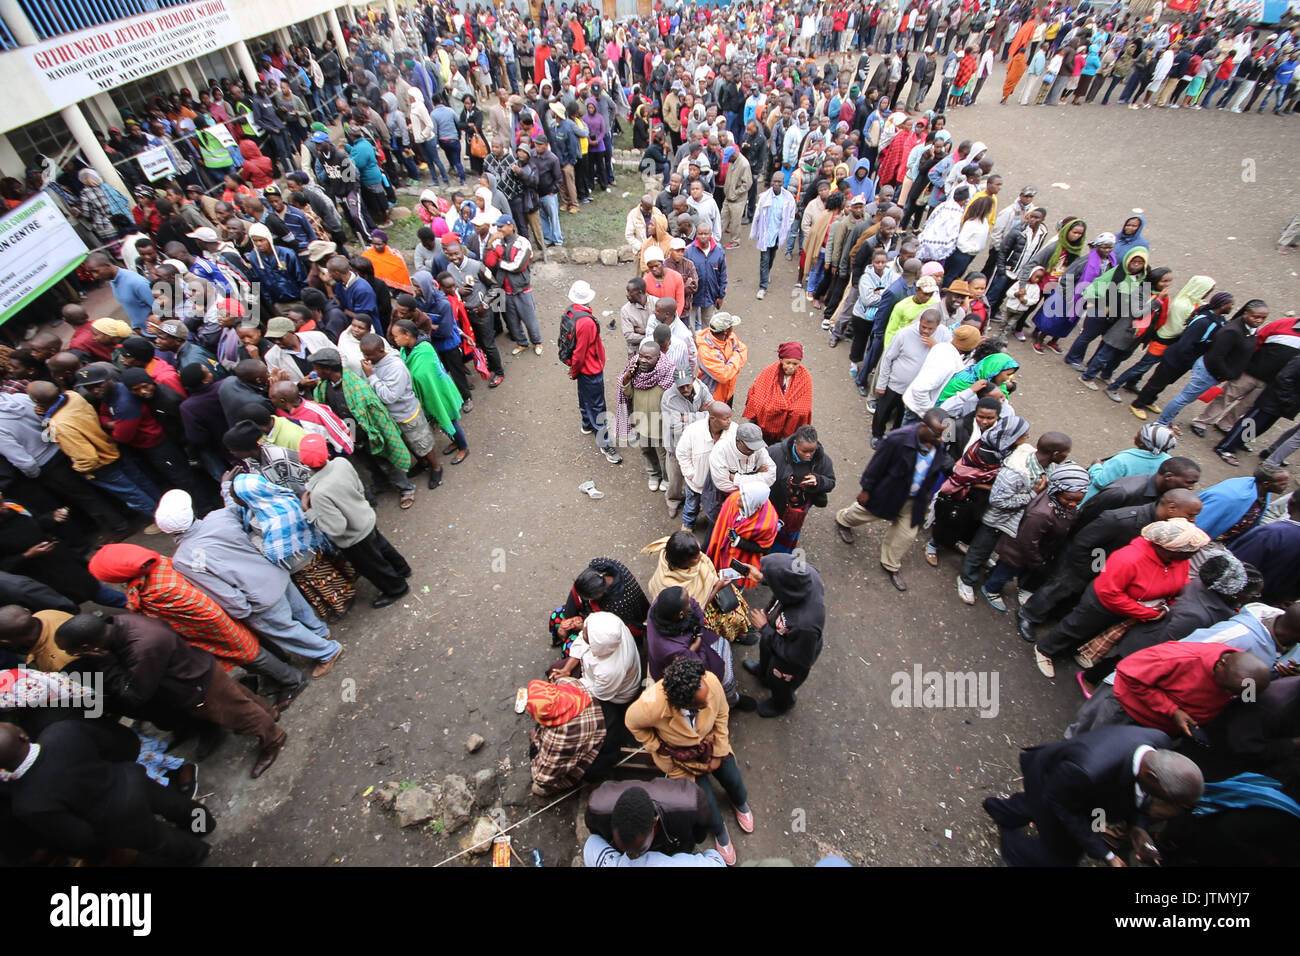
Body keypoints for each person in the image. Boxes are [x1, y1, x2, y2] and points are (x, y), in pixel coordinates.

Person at [52, 612, 286, 778]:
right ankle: (269, 712)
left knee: (240, 715)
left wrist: (106, 662)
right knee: (240, 699)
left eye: (72, 651)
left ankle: (273, 739)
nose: (71, 655)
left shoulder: (143, 647)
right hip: (199, 670)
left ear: (87, 647)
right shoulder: (119, 624)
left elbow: (134, 695)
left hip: (197, 685)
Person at [155, 488, 342, 691]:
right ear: (192, 510)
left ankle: (326, 651)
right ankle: (320, 632)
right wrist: (226, 489)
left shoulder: (184, 559)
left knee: (286, 630)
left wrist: (242, 610)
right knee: (300, 610)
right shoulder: (218, 518)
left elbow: (218, 589)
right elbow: (234, 507)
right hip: (275, 572)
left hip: (257, 597)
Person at [0, 719, 213, 865]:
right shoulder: (61, 732)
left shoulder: (26, 803)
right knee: (176, 805)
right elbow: (114, 746)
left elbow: (78, 837)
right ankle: (203, 824)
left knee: (160, 839)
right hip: (130, 780)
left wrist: (103, 840)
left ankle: (198, 853)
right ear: (22, 735)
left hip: (117, 821)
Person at [983, 725, 1202, 867]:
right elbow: (1065, 810)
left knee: (1033, 805)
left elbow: (1140, 794)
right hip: (1053, 784)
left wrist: (1138, 827)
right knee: (1060, 855)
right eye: (1165, 797)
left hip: (1070, 787)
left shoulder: (1159, 744)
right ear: (1151, 776)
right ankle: (1013, 851)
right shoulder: (1089, 771)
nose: (1162, 804)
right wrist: (1107, 856)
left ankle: (1000, 810)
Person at [1032, 519, 1211, 679]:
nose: (1193, 556)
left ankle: (1070, 650)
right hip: (1102, 605)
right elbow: (1109, 593)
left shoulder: (1180, 561)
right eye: (1189, 551)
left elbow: (1181, 580)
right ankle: (1045, 649)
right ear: (1170, 549)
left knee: (1094, 632)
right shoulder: (1129, 558)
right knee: (1076, 627)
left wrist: (1166, 604)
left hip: (1131, 609)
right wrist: (1146, 612)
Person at [624, 657, 753, 866]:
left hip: (711, 745)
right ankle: (719, 829)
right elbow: (632, 722)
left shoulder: (709, 682)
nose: (708, 701)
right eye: (701, 704)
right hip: (680, 760)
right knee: (705, 803)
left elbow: (721, 715)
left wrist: (719, 753)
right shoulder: (652, 705)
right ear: (682, 704)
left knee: (733, 779)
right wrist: (658, 748)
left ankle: (739, 802)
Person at [835, 408, 950, 592]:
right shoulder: (897, 439)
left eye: (944, 434)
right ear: (923, 426)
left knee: (906, 534)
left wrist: (927, 494)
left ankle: (890, 564)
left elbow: (933, 472)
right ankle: (843, 520)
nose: (941, 439)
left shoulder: (938, 445)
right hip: (889, 492)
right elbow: (876, 466)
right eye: (937, 434)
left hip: (914, 499)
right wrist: (866, 490)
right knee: (865, 514)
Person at [26, 382, 161, 529]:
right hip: (111, 447)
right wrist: (46, 415)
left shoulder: (58, 425)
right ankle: (165, 509)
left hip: (101, 465)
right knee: (141, 482)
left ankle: (161, 520)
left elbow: (86, 458)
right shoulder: (73, 396)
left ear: (37, 401)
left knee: (132, 495)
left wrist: (81, 470)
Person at [297, 440, 411, 609]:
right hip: (365, 517)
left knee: (373, 565)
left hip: (354, 537)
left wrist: (309, 511)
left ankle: (397, 588)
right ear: (327, 453)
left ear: (303, 463)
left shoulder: (319, 493)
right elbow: (359, 487)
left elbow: (336, 527)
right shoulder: (341, 463)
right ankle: (402, 569)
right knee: (382, 546)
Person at [309, 347, 414, 504]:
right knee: (369, 463)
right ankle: (381, 483)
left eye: (317, 367)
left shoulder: (357, 386)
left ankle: (406, 489)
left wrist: (372, 434)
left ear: (327, 369)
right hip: (350, 434)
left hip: (370, 432)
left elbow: (375, 415)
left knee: (388, 460)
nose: (314, 371)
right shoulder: (324, 387)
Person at [741, 552, 826, 718]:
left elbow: (800, 658)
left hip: (791, 658)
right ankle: (763, 672)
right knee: (766, 653)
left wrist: (765, 628)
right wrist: (762, 578)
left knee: (780, 682)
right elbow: (786, 582)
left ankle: (781, 703)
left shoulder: (806, 624)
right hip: (776, 632)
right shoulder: (805, 575)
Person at [584, 779, 716, 864]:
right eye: (625, 850)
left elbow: (700, 835)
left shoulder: (691, 805)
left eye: (639, 849)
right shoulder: (598, 809)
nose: (632, 859)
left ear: (654, 821)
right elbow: (596, 833)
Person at [562, 281, 621, 465]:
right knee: (597, 405)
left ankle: (586, 424)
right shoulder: (586, 322)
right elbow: (581, 352)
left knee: (584, 395)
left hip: (581, 369)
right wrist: (575, 369)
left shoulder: (570, 312)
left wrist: (574, 369)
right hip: (590, 368)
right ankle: (605, 444)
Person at [523, 677, 612, 797]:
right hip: (603, 722)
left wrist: (535, 742)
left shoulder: (560, 736)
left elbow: (542, 777)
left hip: (599, 751)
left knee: (538, 786)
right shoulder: (568, 683)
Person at [549, 558, 650, 653]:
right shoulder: (599, 567)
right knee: (556, 617)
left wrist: (584, 627)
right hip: (589, 618)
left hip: (608, 634)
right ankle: (561, 638)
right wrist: (566, 619)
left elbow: (612, 633)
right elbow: (576, 592)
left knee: (570, 647)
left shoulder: (618, 604)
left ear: (599, 595)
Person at [616, 341, 676, 492]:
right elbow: (628, 394)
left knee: (663, 454)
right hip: (641, 420)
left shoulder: (668, 372)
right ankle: (653, 475)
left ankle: (667, 478)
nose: (643, 360)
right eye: (641, 356)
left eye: (648, 358)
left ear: (658, 357)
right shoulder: (635, 370)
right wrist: (627, 378)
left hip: (660, 425)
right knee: (646, 450)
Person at [482, 215, 544, 355]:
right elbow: (489, 263)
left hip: (522, 289)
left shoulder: (523, 242)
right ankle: (522, 343)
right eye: (497, 227)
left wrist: (500, 261)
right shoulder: (497, 241)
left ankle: (537, 342)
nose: (499, 229)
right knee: (512, 322)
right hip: (503, 289)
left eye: (501, 226)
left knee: (530, 319)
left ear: (511, 226)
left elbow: (517, 266)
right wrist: (490, 244)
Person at [742, 342, 814, 445]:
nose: (791, 367)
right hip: (765, 425)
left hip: (787, 427)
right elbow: (758, 395)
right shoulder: (769, 372)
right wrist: (778, 406)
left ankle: (785, 440)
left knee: (800, 411)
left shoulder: (805, 377)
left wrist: (785, 408)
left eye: (795, 364)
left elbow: (804, 405)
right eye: (788, 363)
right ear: (781, 361)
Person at [1084, 424, 1178, 500]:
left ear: (1141, 443)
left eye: (1138, 435)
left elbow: (1101, 482)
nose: (1134, 437)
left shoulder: (1122, 461)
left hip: (1102, 501)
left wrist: (1096, 466)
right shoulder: (1167, 462)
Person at [694, 312, 748, 405]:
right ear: (725, 331)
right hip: (712, 398)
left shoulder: (730, 337)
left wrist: (730, 367)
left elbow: (743, 349)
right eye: (731, 326)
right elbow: (724, 376)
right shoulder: (706, 351)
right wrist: (735, 356)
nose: (733, 329)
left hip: (728, 392)